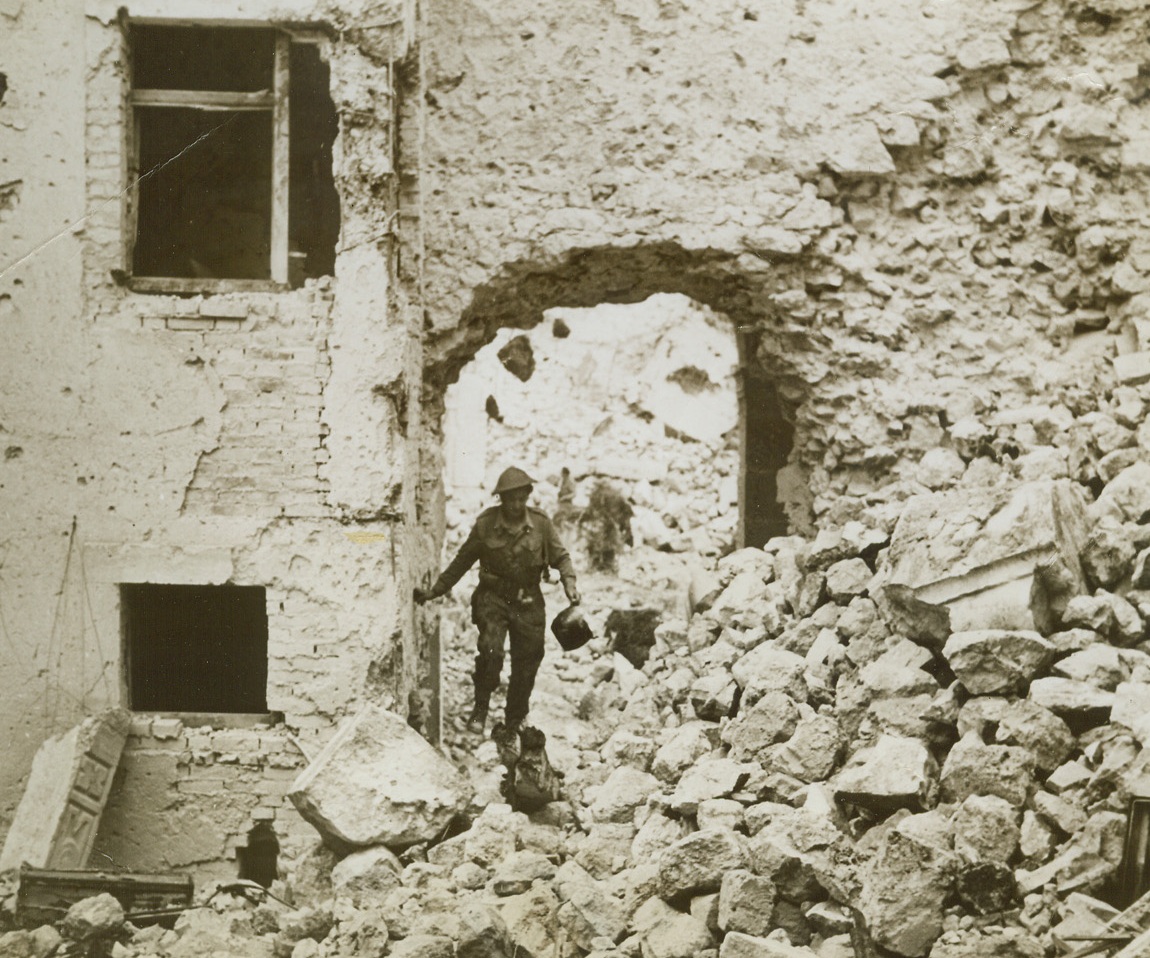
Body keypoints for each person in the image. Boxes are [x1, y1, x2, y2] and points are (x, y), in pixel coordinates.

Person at [414, 466, 581, 732]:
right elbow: (462, 561)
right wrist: (436, 590)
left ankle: (515, 718)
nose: (515, 504)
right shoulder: (485, 525)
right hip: (493, 599)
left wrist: (569, 584)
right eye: (509, 498)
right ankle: (480, 708)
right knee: (491, 651)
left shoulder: (540, 524)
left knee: (528, 662)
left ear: (527, 495)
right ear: (501, 499)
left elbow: (561, 557)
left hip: (529, 602)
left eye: (520, 498)